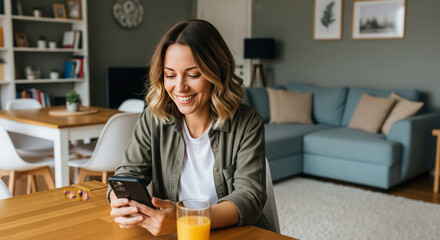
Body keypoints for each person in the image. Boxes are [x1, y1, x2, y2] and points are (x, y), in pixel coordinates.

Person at [108, 19, 270, 236]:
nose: (180, 87)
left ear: (217, 72)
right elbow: (126, 174)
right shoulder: (153, 118)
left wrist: (184, 219)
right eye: (170, 75)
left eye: (193, 74)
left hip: (234, 233)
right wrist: (119, 202)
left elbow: (250, 197)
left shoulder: (247, 122)